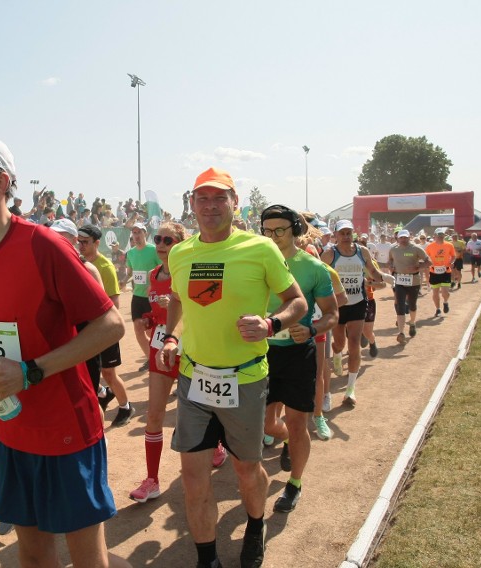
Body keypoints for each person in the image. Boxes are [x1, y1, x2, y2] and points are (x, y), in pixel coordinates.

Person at [0, 134, 130, 568]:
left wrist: (31, 371)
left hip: (65, 429)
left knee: (87, 558)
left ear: (1, 183)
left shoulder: (43, 245)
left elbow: (110, 325)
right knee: (32, 554)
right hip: (12, 429)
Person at [157, 168, 307, 568]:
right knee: (193, 475)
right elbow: (176, 299)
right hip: (194, 378)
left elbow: (297, 302)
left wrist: (271, 324)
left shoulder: (260, 249)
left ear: (234, 202)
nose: (210, 206)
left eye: (219, 198)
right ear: (192, 205)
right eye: (202, 199)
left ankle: (255, 525)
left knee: (246, 468)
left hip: (245, 378)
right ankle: (207, 558)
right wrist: (171, 336)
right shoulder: (180, 252)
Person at [259, 205, 337, 515]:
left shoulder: (313, 267)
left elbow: (333, 313)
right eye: (267, 230)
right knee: (264, 423)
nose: (273, 236)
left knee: (296, 420)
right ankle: (293, 440)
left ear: (295, 230)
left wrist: (312, 328)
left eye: (280, 230)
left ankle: (295, 483)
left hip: (296, 354)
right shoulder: (254, 262)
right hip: (260, 352)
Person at [128, 221, 191, 503]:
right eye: (159, 239)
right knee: (154, 414)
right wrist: (151, 319)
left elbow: (203, 311)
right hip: (159, 348)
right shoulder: (154, 275)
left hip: (189, 348)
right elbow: (157, 311)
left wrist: (177, 307)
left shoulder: (189, 273)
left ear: (180, 243)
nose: (162, 245)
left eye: (169, 240)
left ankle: (216, 444)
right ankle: (151, 480)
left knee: (196, 414)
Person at [320, 219, 385, 406]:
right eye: (342, 233)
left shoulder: (362, 251)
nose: (346, 237)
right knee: (339, 343)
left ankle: (350, 390)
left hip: (358, 302)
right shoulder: (329, 254)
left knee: (355, 342)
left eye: (349, 233)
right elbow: (320, 275)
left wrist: (380, 278)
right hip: (338, 304)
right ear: (336, 235)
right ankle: (338, 355)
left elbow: (372, 270)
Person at [77, 224, 135, 427]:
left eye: (85, 242)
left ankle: (126, 406)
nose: (81, 245)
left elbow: (114, 303)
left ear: (96, 243)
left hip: (105, 329)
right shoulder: (78, 262)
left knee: (109, 374)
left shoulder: (105, 266)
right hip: (88, 332)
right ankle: (103, 393)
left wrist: (107, 331)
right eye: (79, 241)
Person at [126, 221, 162, 371]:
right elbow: (130, 273)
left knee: (150, 330)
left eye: (139, 232)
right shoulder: (131, 253)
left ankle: (160, 357)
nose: (136, 236)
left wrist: (152, 285)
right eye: (134, 233)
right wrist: (123, 280)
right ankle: (150, 359)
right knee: (137, 329)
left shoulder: (154, 250)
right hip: (137, 296)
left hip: (152, 296)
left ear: (145, 233)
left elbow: (163, 269)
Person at [388, 229, 431, 344]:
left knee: (412, 305)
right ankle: (401, 332)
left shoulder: (416, 249)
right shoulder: (393, 249)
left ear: (409, 238)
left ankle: (412, 322)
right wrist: (391, 266)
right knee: (400, 305)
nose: (403, 240)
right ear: (398, 238)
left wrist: (418, 267)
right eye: (401, 238)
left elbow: (428, 262)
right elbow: (390, 260)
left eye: (405, 238)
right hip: (399, 280)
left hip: (414, 281)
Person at [425, 228, 455, 317]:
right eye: (439, 235)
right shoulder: (430, 246)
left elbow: (453, 256)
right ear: (435, 236)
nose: (440, 237)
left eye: (442, 235)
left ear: (444, 236)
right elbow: (426, 257)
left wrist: (452, 262)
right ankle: (437, 309)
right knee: (435, 292)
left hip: (445, 270)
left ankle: (445, 302)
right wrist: (428, 263)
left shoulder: (449, 245)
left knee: (445, 292)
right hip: (434, 271)